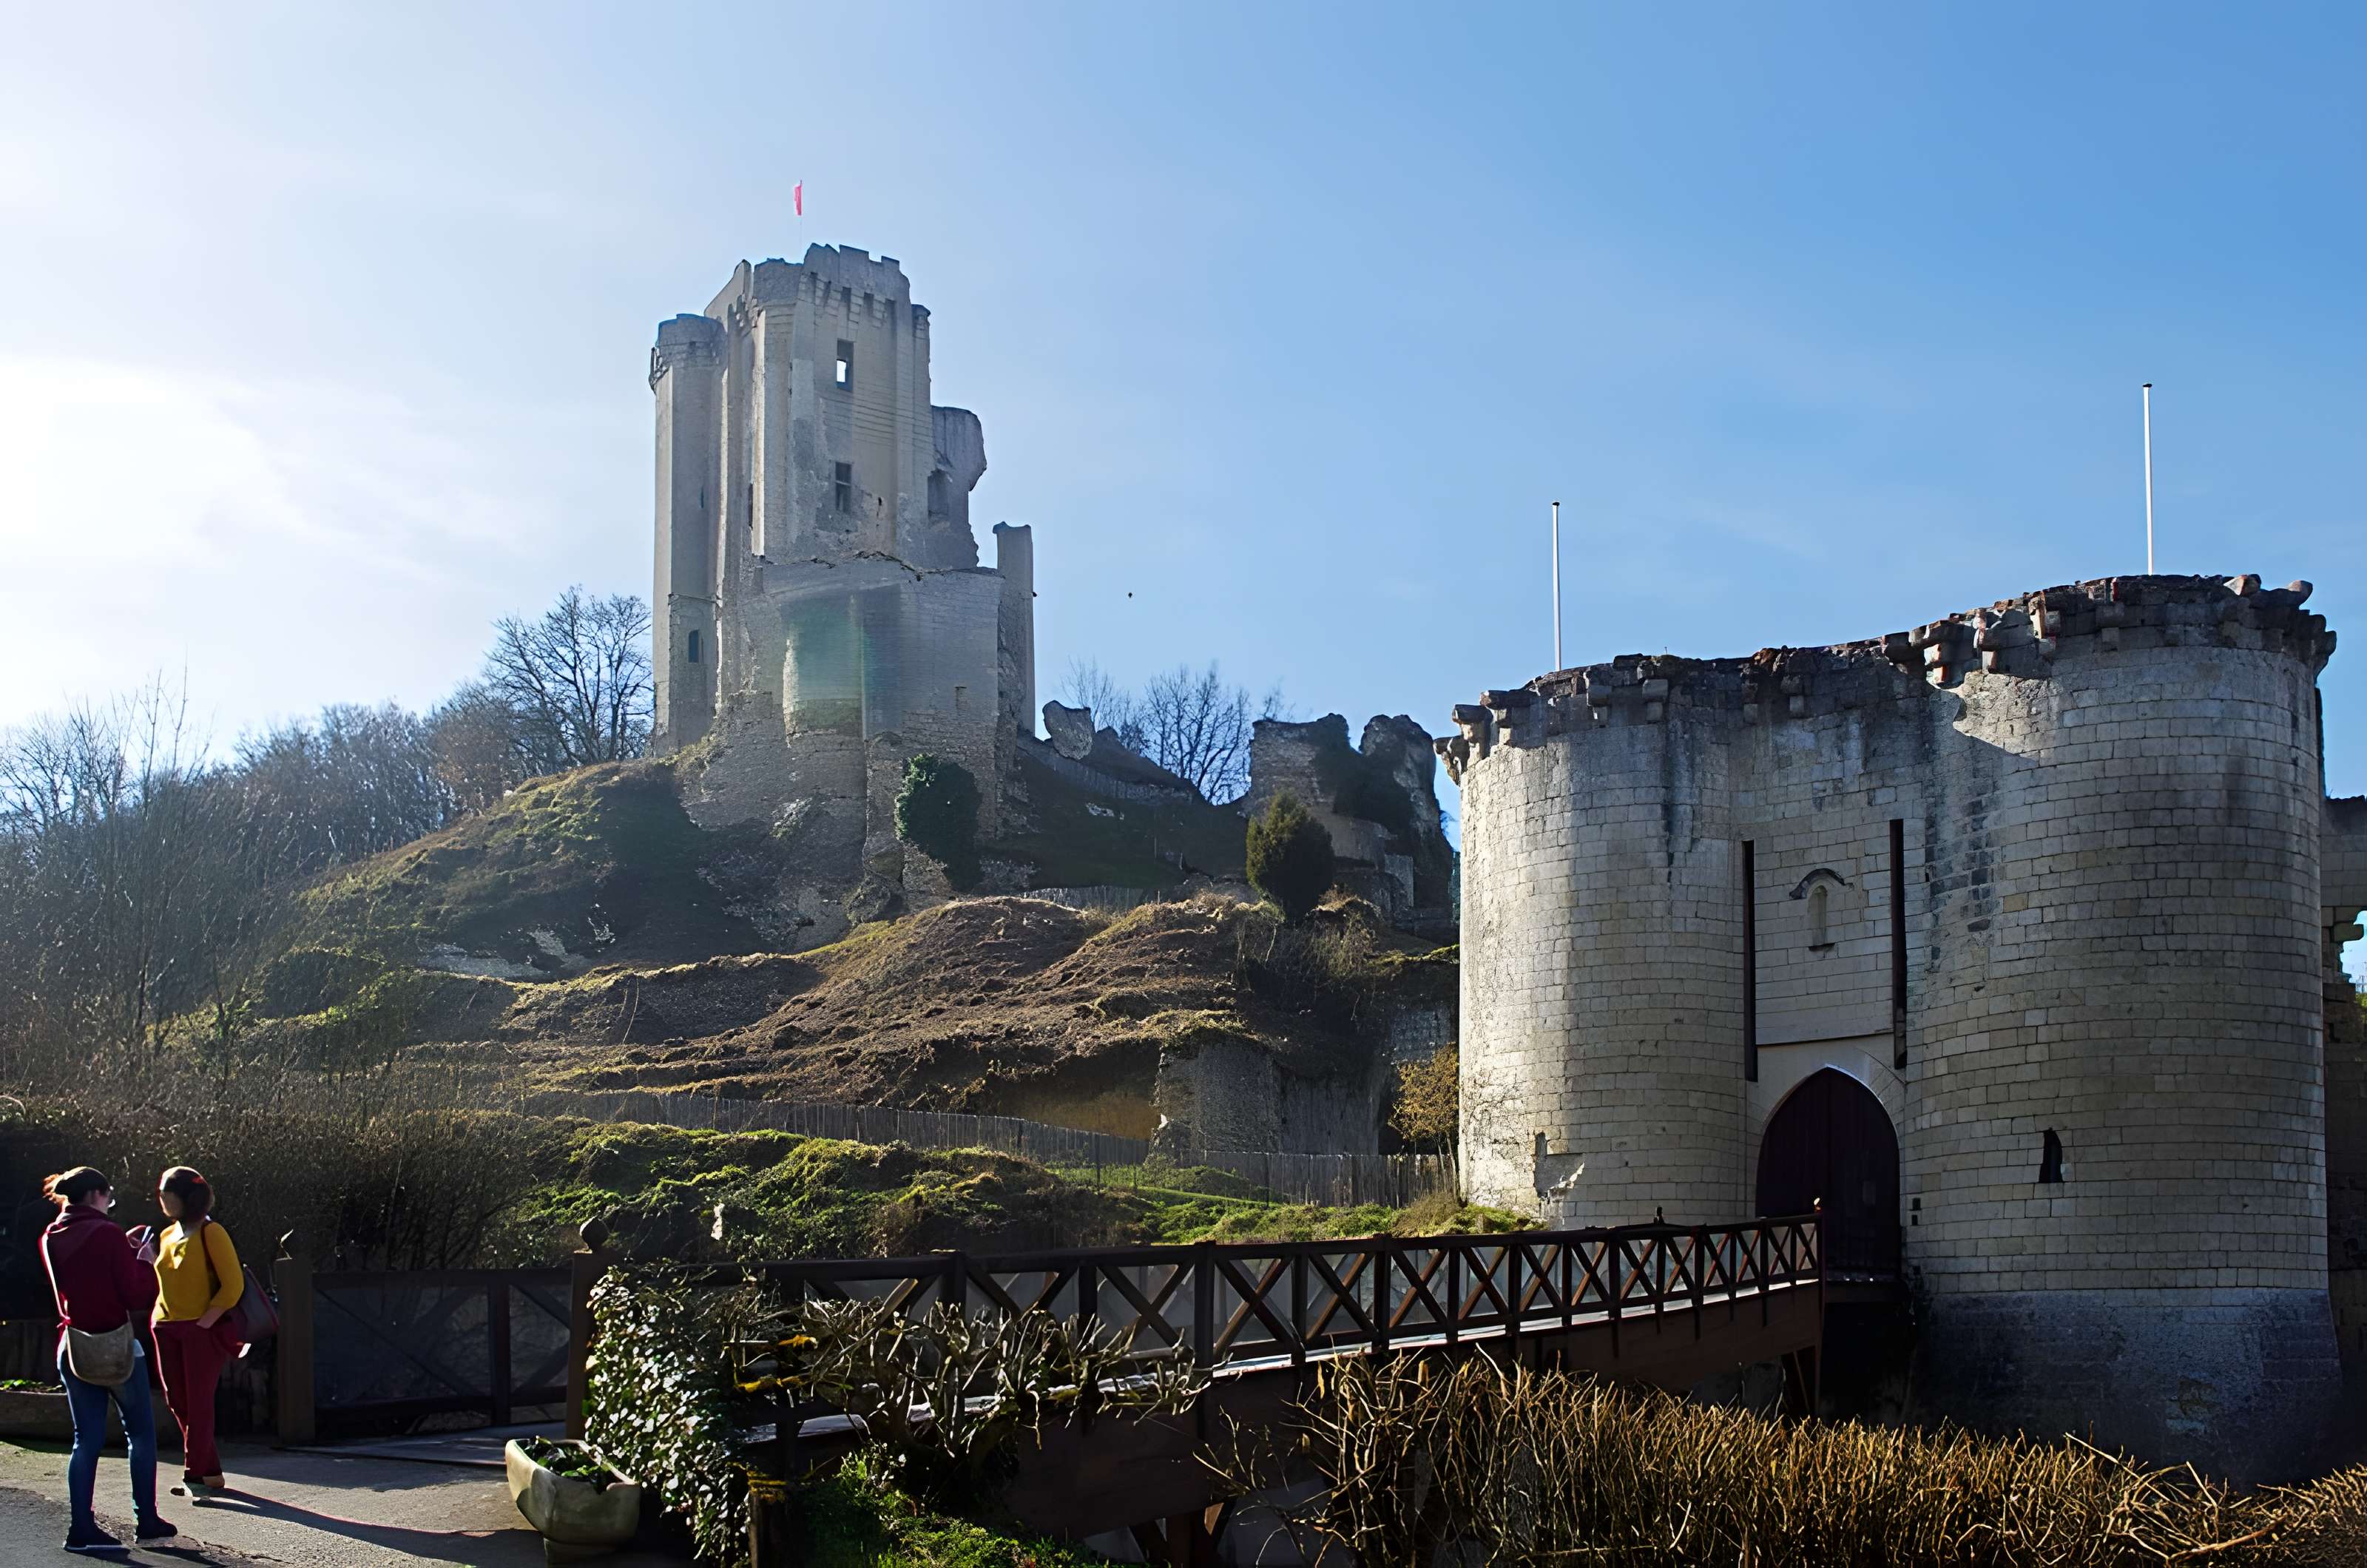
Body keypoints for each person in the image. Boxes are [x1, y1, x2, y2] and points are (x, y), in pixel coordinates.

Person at [38, 1166, 175, 1553]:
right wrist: (145, 1260)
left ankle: (81, 1528)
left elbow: (87, 1278)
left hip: (74, 1345)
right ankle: (146, 1520)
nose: (110, 1203)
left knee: (86, 1440)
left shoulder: (51, 1235)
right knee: (141, 1433)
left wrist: (125, 1250)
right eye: (109, 1196)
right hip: (114, 1345)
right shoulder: (107, 1233)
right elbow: (133, 1295)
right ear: (97, 1194)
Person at [150, 1166, 243, 1501]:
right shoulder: (165, 1235)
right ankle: (212, 1472)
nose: (160, 1198)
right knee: (178, 1401)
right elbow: (169, 1281)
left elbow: (234, 1285)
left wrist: (205, 1322)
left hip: (200, 1329)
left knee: (200, 1403)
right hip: (165, 1326)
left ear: (185, 1197)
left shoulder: (211, 1232)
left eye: (166, 1192)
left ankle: (195, 1475)